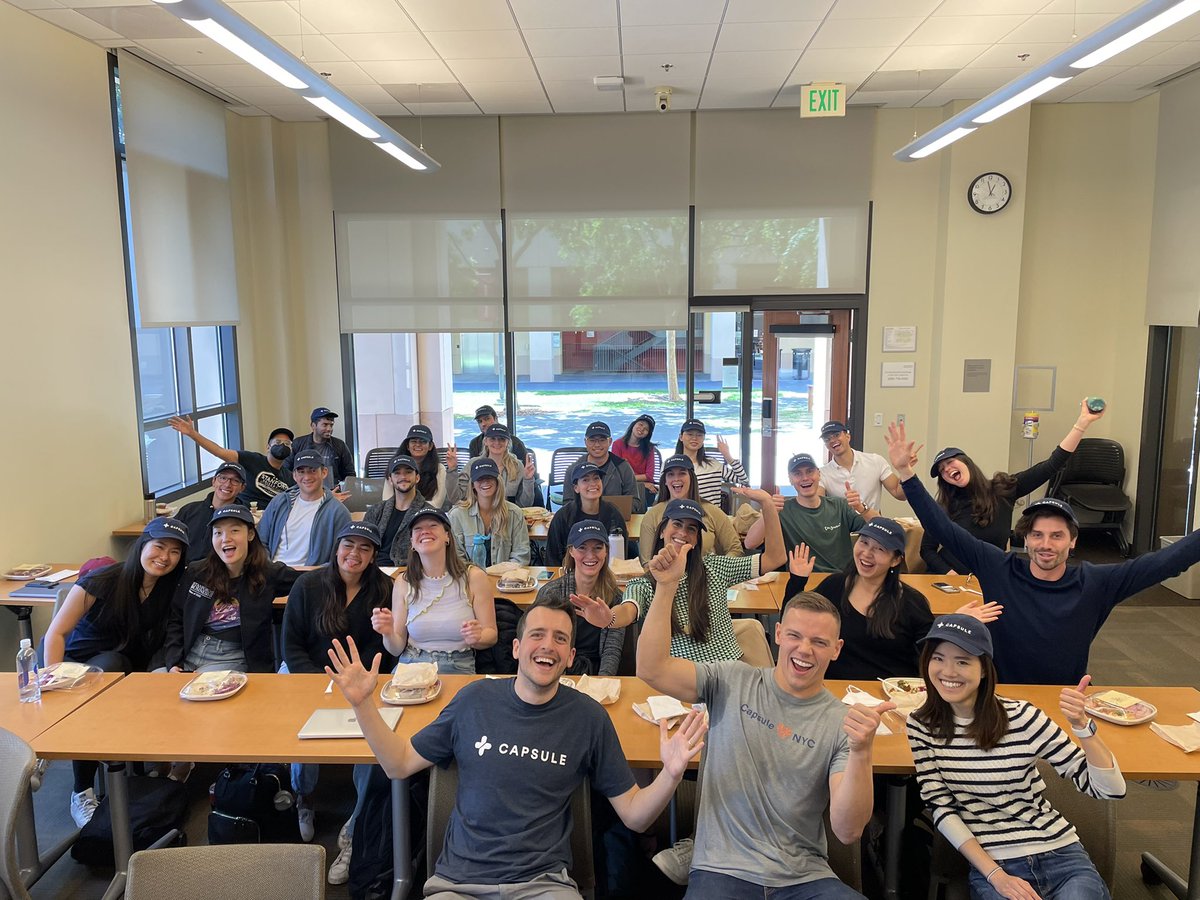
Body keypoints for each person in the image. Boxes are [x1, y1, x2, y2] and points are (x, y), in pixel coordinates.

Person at [324, 601, 707, 900]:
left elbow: (636, 817)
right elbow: (399, 763)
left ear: (571, 657)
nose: (548, 646)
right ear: (517, 647)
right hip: (458, 884)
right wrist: (363, 704)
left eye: (561, 639)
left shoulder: (588, 718)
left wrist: (672, 774)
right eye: (537, 635)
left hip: (544, 886)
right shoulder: (474, 699)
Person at [637, 552, 895, 898]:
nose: (804, 650)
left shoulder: (841, 722)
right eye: (795, 636)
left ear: (837, 649)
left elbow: (847, 832)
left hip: (805, 878)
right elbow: (651, 669)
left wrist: (862, 751)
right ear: (777, 634)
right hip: (721, 869)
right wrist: (666, 587)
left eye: (819, 642)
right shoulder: (730, 679)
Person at [886, 421, 1200, 684]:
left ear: (1073, 541)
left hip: (1063, 699)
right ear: (1026, 538)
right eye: (1037, 535)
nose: (1046, 544)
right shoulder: (1000, 568)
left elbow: (1165, 563)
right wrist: (906, 474)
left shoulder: (1095, 583)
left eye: (1056, 535)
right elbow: (943, 529)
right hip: (1001, 698)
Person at [907, 614, 1126, 900]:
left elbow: (1110, 789)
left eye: (962, 661)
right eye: (938, 658)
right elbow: (942, 809)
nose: (948, 671)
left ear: (984, 669)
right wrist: (995, 875)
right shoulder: (921, 726)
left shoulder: (1022, 716)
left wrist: (1082, 727)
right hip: (994, 863)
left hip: (1060, 853)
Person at [44, 517, 190, 827]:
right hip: (81, 668)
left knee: (145, 674)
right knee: (110, 665)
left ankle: (144, 772)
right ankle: (81, 789)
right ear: (142, 545)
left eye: (175, 552)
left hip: (128, 670)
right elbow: (55, 633)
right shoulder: (102, 580)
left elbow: (166, 640)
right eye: (159, 546)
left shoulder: (170, 590)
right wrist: (51, 678)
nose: (164, 557)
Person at [282, 520, 396, 866]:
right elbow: (291, 645)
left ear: (374, 555)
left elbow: (385, 651)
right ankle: (304, 798)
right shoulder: (308, 585)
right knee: (302, 733)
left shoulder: (385, 589)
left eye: (364, 548)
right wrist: (320, 682)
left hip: (363, 680)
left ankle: (356, 823)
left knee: (374, 742)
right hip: (311, 674)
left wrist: (354, 683)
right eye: (348, 545)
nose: (354, 554)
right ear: (336, 548)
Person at [784, 518, 1001, 679]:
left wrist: (952, 623)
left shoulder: (910, 602)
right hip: (836, 690)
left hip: (891, 697)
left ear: (896, 560)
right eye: (864, 542)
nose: (867, 554)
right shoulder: (834, 586)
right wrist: (797, 581)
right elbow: (794, 623)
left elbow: (930, 653)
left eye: (879, 549)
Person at [920, 399, 1105, 575]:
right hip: (953, 582)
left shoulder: (1003, 489)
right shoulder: (944, 505)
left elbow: (1051, 465)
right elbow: (927, 550)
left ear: (966, 463)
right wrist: (950, 575)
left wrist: (1082, 424)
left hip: (990, 575)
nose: (947, 470)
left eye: (950, 462)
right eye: (942, 471)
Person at [600, 493, 783, 663]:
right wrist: (609, 618)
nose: (683, 533)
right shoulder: (646, 583)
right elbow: (628, 610)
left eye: (691, 529)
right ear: (663, 530)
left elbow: (775, 558)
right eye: (677, 524)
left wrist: (767, 505)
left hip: (729, 673)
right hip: (681, 680)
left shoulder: (714, 568)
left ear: (696, 540)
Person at [163, 504, 299, 675]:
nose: (225, 539)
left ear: (250, 534)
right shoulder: (197, 571)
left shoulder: (268, 573)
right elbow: (176, 618)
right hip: (190, 650)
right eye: (218, 533)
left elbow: (309, 582)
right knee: (155, 687)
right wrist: (173, 662)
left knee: (202, 689)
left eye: (234, 530)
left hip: (232, 657)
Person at [375, 507, 497, 674]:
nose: (425, 532)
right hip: (411, 663)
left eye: (433, 526)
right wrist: (388, 633)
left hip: (458, 665)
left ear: (447, 536)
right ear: (412, 543)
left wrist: (478, 637)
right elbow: (396, 649)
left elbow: (491, 634)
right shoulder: (403, 582)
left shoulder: (474, 577)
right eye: (418, 529)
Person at [746, 453, 875, 573]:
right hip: (801, 581)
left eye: (810, 471)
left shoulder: (839, 506)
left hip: (841, 580)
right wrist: (769, 509)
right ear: (790, 479)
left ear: (819, 474)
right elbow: (750, 543)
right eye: (797, 474)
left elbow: (880, 527)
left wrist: (862, 507)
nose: (805, 478)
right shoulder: (782, 510)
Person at [536, 520, 626, 676]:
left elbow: (612, 651)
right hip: (557, 671)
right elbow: (542, 646)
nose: (590, 555)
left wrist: (601, 684)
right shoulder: (551, 593)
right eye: (582, 548)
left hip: (598, 673)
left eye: (598, 548)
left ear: (606, 551)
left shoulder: (616, 597)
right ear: (571, 551)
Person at [168, 415, 295, 508]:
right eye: (277, 442)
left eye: (287, 443)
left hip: (271, 521)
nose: (282, 446)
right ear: (268, 447)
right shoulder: (252, 459)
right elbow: (219, 451)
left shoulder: (290, 477)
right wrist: (192, 434)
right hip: (242, 513)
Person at [639, 454, 743, 566]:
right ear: (665, 481)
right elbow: (646, 563)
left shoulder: (712, 512)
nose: (676, 479)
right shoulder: (652, 515)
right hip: (664, 579)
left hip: (705, 579)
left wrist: (715, 571)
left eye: (682, 473)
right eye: (671, 474)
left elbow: (735, 549)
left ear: (692, 478)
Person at [257, 449, 352, 566]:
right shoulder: (279, 502)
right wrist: (266, 566)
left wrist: (314, 573)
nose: (307, 477)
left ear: (324, 472)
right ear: (294, 476)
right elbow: (260, 541)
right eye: (301, 472)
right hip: (274, 573)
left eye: (312, 471)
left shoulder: (338, 512)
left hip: (310, 577)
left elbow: (341, 557)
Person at [449, 457, 531, 567]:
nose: (485, 482)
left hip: (506, 580)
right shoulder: (457, 515)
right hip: (470, 579)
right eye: (480, 478)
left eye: (489, 477)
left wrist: (500, 574)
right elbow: (456, 558)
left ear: (498, 481)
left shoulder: (515, 513)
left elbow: (521, 555)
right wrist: (476, 575)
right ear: (473, 484)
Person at [546, 462, 627, 566]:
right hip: (570, 575)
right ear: (576, 488)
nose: (593, 483)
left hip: (606, 574)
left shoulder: (613, 514)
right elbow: (552, 557)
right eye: (585, 480)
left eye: (596, 478)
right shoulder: (563, 516)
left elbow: (621, 555)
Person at [817, 420, 906, 511]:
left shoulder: (875, 461)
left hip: (873, 522)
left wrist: (905, 469)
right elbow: (817, 505)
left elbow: (899, 493)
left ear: (848, 436)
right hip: (842, 524)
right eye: (827, 439)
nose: (832, 440)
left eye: (836, 435)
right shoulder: (822, 473)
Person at [361, 454, 432, 567]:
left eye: (408, 472)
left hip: (409, 573)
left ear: (417, 478)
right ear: (390, 479)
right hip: (374, 572)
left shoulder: (428, 513)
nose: (403, 477)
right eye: (397, 473)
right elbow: (363, 544)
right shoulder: (376, 510)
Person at [174, 462, 248, 562]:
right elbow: (172, 540)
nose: (227, 484)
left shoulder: (242, 519)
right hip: (184, 571)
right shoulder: (189, 510)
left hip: (218, 573)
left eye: (235, 481)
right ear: (213, 481)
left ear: (242, 488)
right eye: (223, 478)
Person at [563, 421, 642, 512]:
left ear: (610, 441)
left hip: (616, 520)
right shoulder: (573, 470)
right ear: (585, 442)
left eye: (602, 440)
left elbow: (635, 501)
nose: (597, 445)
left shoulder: (623, 467)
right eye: (592, 440)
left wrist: (611, 512)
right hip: (583, 521)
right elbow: (567, 503)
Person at [673, 418, 749, 507]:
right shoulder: (671, 465)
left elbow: (743, 480)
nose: (694, 438)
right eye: (690, 434)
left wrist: (728, 456)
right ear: (681, 437)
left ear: (704, 438)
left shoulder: (713, 464)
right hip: (682, 516)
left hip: (712, 517)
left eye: (699, 435)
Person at [397, 423, 464, 510]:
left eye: (423, 441)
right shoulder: (395, 468)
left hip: (427, 516)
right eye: (413, 441)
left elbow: (437, 503)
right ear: (407, 446)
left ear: (430, 446)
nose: (418, 445)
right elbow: (387, 500)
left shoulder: (439, 469)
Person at [286, 406, 355, 491]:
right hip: (304, 492)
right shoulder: (297, 444)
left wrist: (341, 489)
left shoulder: (340, 445)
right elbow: (287, 471)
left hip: (333, 492)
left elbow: (350, 474)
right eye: (325, 425)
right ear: (313, 425)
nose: (329, 429)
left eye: (331, 425)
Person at [473, 422, 538, 506]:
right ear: (485, 441)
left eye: (501, 439)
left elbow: (525, 504)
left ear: (508, 443)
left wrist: (528, 480)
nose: (497, 443)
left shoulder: (517, 465)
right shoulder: (474, 464)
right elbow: (458, 498)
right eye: (492, 438)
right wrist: (452, 470)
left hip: (509, 515)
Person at [612, 414, 659, 503]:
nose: (642, 429)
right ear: (634, 424)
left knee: (647, 494)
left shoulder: (649, 449)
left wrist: (639, 484)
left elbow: (649, 475)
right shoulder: (617, 444)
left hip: (645, 489)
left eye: (646, 429)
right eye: (640, 424)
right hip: (624, 484)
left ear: (648, 434)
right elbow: (617, 473)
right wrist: (641, 484)